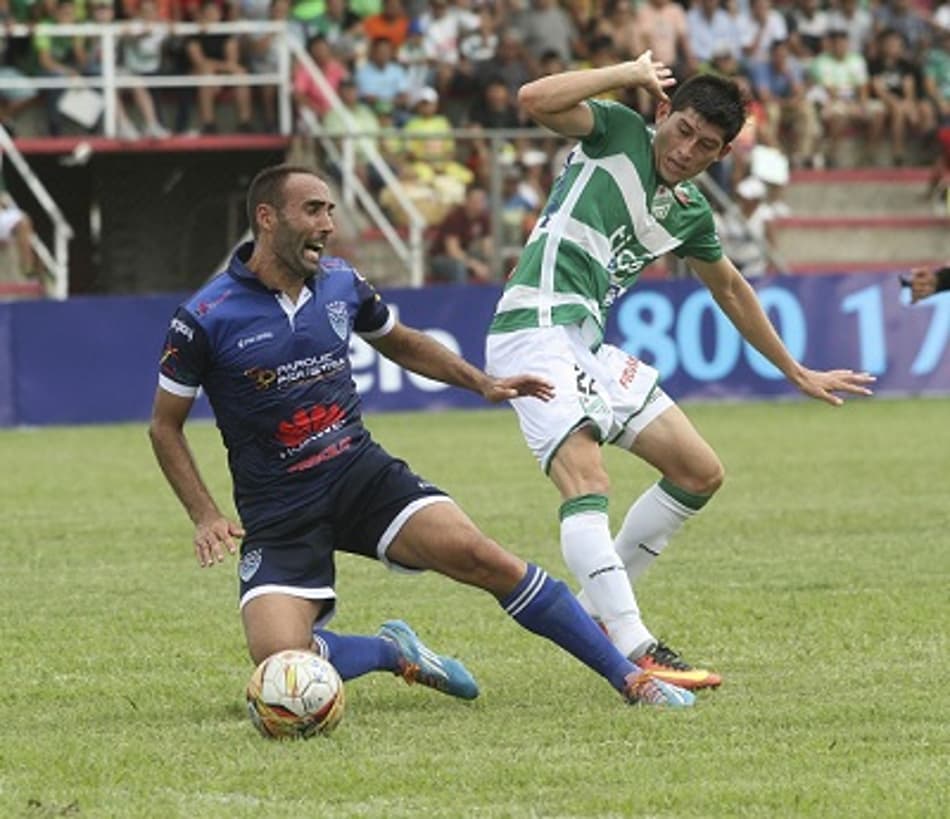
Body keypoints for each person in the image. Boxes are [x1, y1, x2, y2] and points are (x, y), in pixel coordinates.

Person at [148, 163, 697, 709]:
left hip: (359, 476)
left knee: (486, 559)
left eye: (331, 211)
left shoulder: (341, 283)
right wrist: (205, 514)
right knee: (279, 660)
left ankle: (632, 679)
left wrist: (481, 383)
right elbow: (164, 425)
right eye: (313, 210)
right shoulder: (205, 317)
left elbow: (402, 342)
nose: (328, 224)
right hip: (278, 509)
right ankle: (392, 652)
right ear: (267, 218)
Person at [484, 54, 875, 691]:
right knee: (587, 478)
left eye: (707, 146)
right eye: (683, 130)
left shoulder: (689, 211)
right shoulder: (614, 130)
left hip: (588, 345)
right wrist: (625, 71)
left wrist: (796, 370)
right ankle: (635, 644)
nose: (687, 150)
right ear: (663, 111)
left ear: (720, 157)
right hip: (533, 329)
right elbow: (532, 97)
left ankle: (597, 609)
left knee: (699, 471)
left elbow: (731, 289)